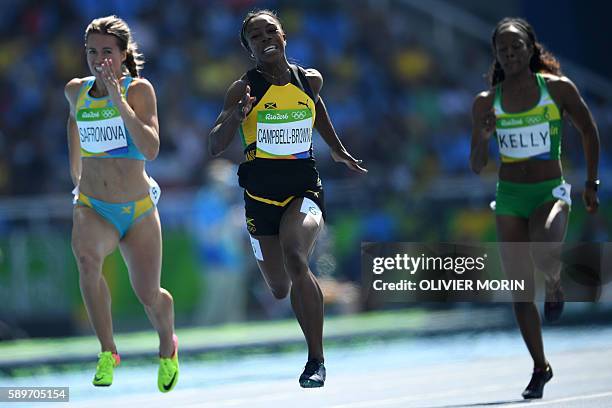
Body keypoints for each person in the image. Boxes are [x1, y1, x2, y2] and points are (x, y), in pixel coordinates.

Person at [208, 9, 367, 388]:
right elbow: (215, 144)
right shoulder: (242, 89)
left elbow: (318, 112)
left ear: (283, 37)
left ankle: (316, 360)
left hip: (304, 190)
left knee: (297, 256)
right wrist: (236, 116)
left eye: (270, 32)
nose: (265, 40)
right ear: (249, 48)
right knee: (279, 288)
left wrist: (338, 150)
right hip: (260, 199)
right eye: (256, 37)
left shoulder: (309, 80)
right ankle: (305, 327)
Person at [470, 18, 599, 399]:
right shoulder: (485, 101)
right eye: (502, 49)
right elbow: (477, 164)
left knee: (545, 250)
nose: (510, 54)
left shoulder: (557, 90)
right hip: (510, 196)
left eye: (516, 47)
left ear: (531, 48)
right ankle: (540, 368)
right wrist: (483, 134)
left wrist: (592, 182)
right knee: (520, 290)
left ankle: (556, 283)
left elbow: (588, 130)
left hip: (549, 192)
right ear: (496, 55)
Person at [64, 15, 179, 392]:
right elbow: (73, 123)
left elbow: (151, 148)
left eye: (107, 52)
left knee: (149, 293)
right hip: (94, 207)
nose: (100, 60)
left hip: (138, 209)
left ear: (123, 53)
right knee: (86, 260)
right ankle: (107, 351)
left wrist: (119, 101)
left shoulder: (139, 90)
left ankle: (167, 343)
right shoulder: (75, 90)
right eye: (93, 52)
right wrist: (76, 174)